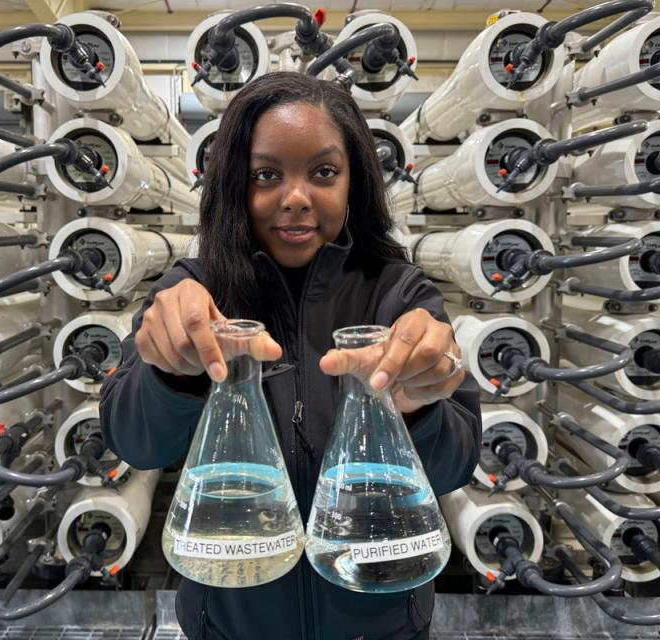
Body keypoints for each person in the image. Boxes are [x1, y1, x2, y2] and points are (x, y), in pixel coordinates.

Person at [100, 71, 482, 640]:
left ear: (354, 183)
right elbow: (134, 442)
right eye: (265, 175)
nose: (296, 199)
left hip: (378, 620)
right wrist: (168, 370)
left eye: (324, 172)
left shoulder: (398, 294)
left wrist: (420, 404)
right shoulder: (195, 293)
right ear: (233, 184)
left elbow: (455, 465)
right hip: (232, 620)